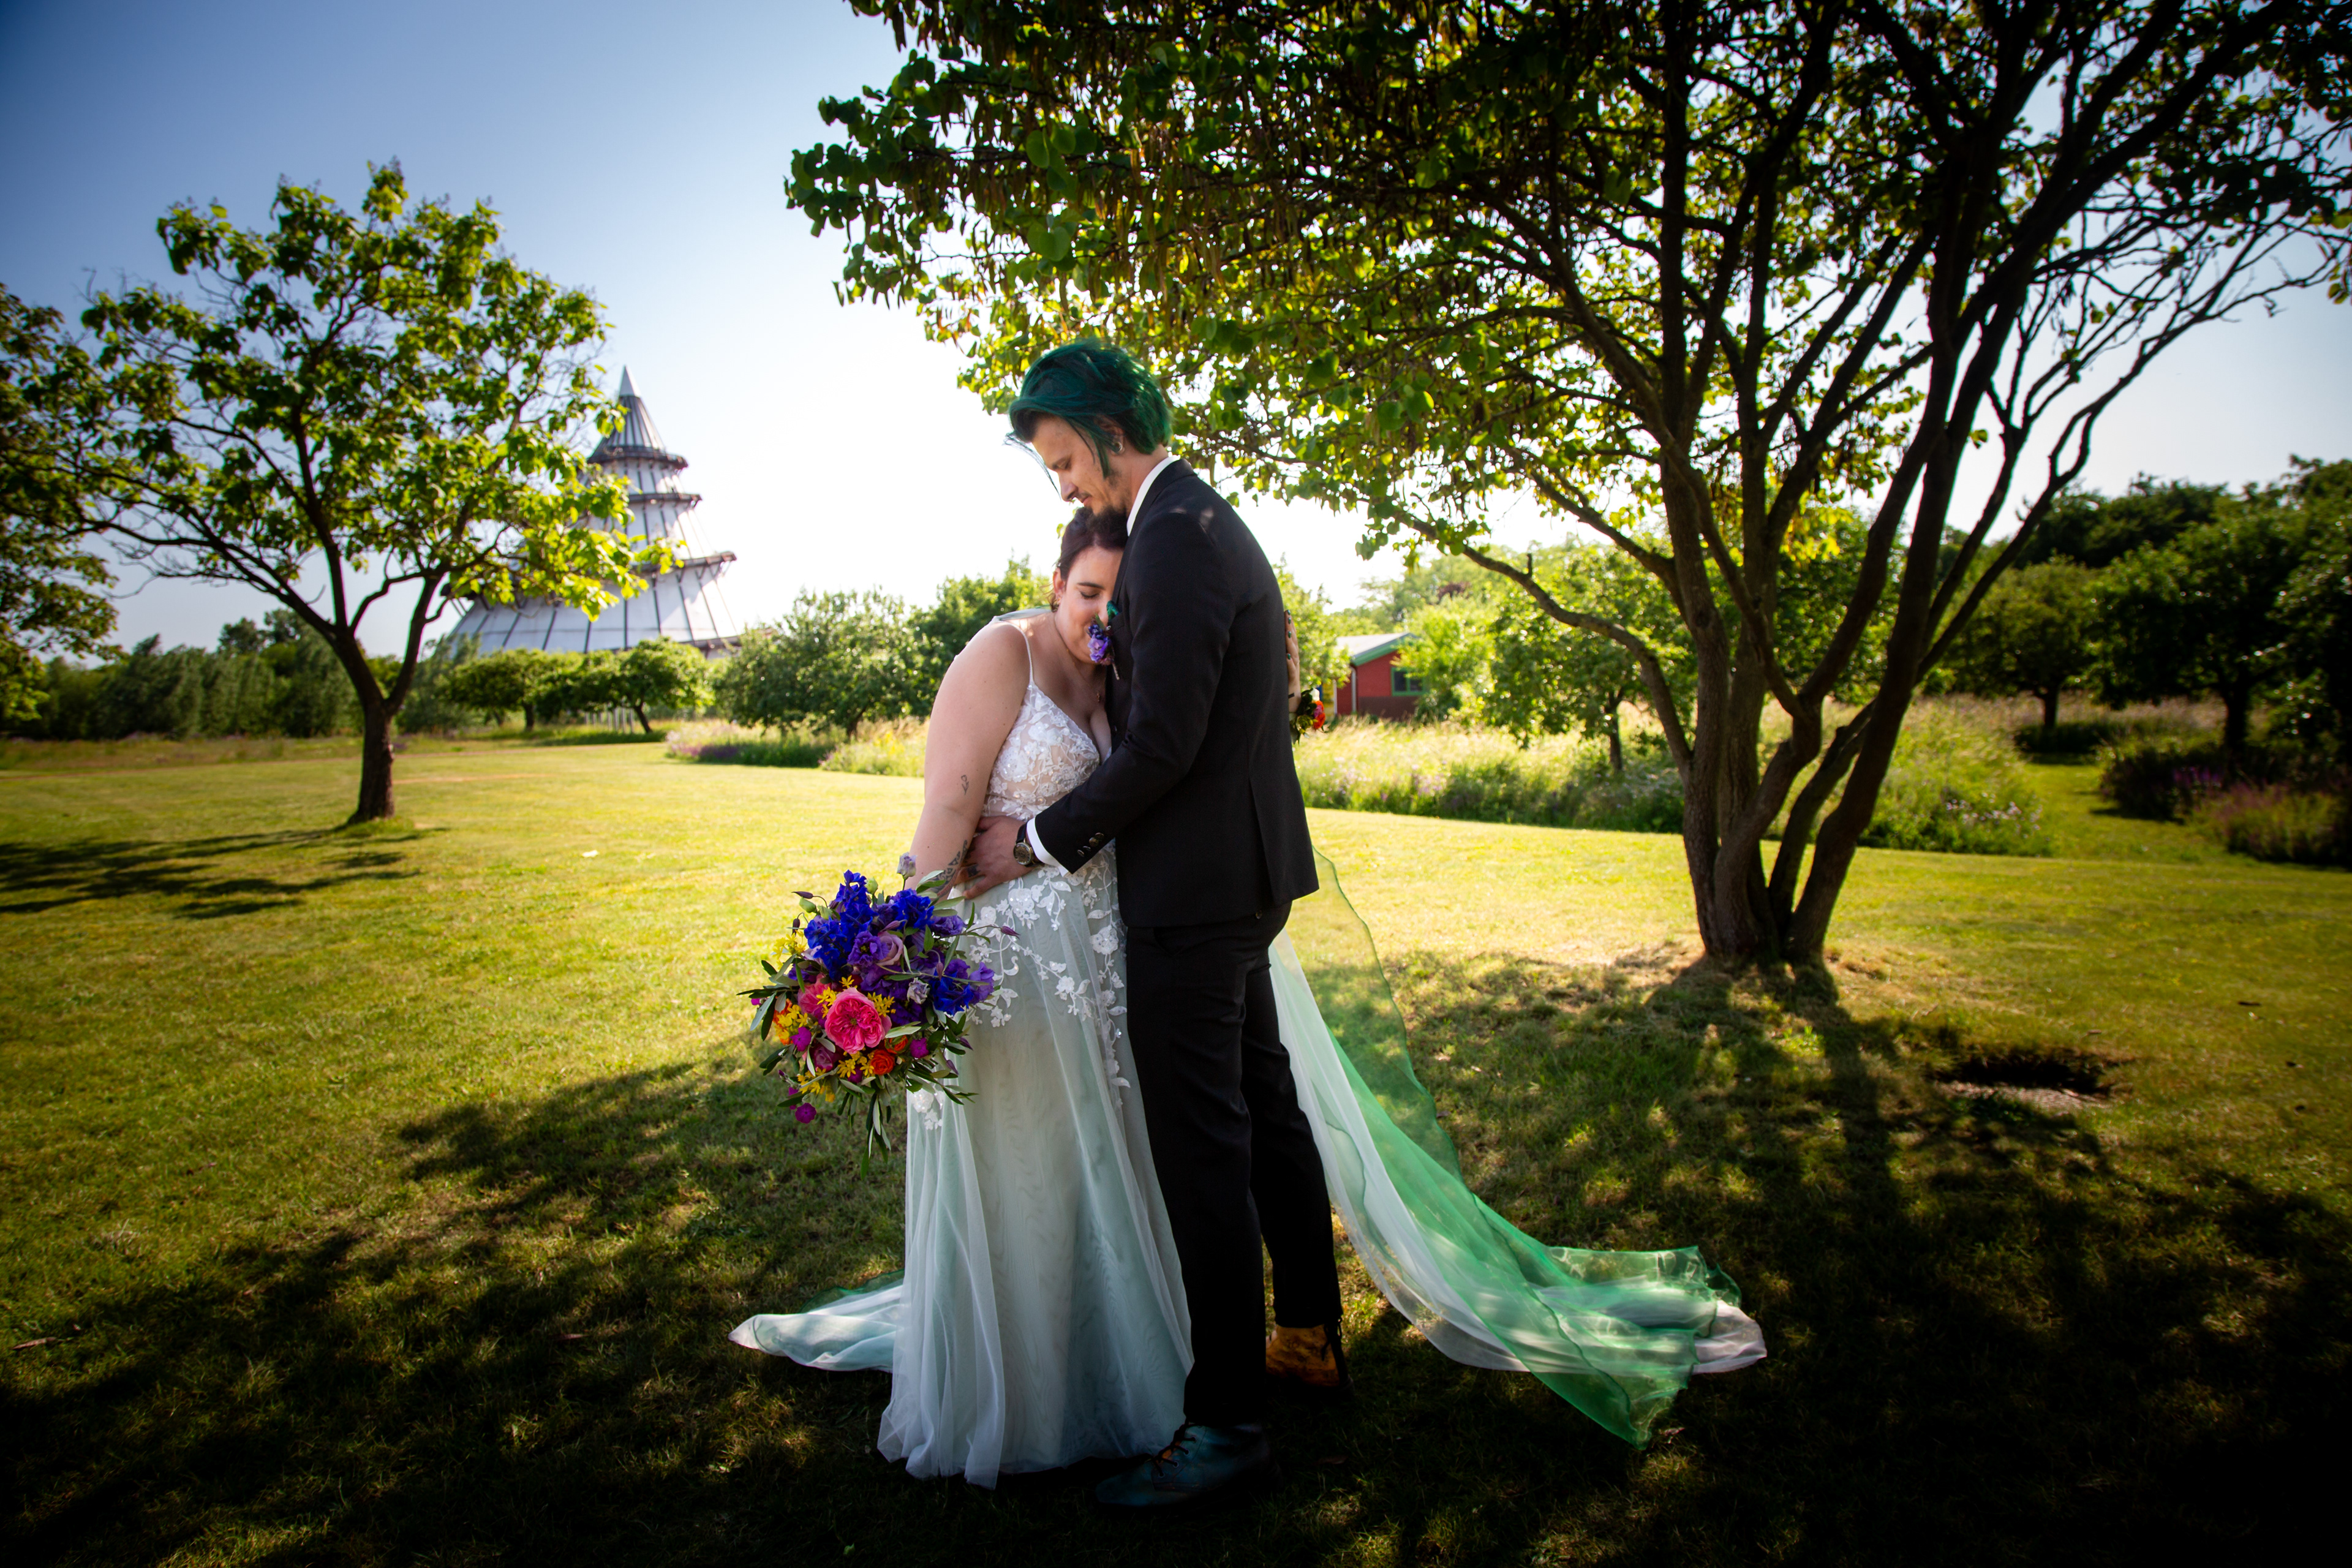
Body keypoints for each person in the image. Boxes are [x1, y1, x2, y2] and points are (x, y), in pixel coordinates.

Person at [731, 341, 1763, 1507]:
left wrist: (1029, 843)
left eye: (1067, 460)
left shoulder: (1171, 536)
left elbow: (1166, 744)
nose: (1065, 486)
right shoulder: (1205, 524)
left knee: (1203, 1150)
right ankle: (1308, 1335)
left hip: (1187, 901)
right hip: (1237, 886)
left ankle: (1224, 1427)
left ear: (1109, 434)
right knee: (1267, 1112)